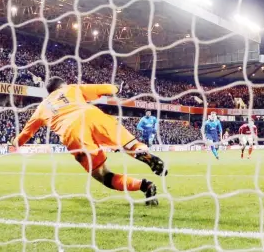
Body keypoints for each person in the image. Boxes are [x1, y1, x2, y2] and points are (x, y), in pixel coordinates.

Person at [12, 77, 167, 205]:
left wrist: (15, 144)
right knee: (130, 145)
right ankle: (142, 152)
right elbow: (103, 88)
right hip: (92, 115)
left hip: (71, 132)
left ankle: (145, 186)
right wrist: (116, 88)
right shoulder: (71, 88)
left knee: (103, 175)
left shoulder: (40, 108)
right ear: (62, 85)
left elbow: (26, 133)